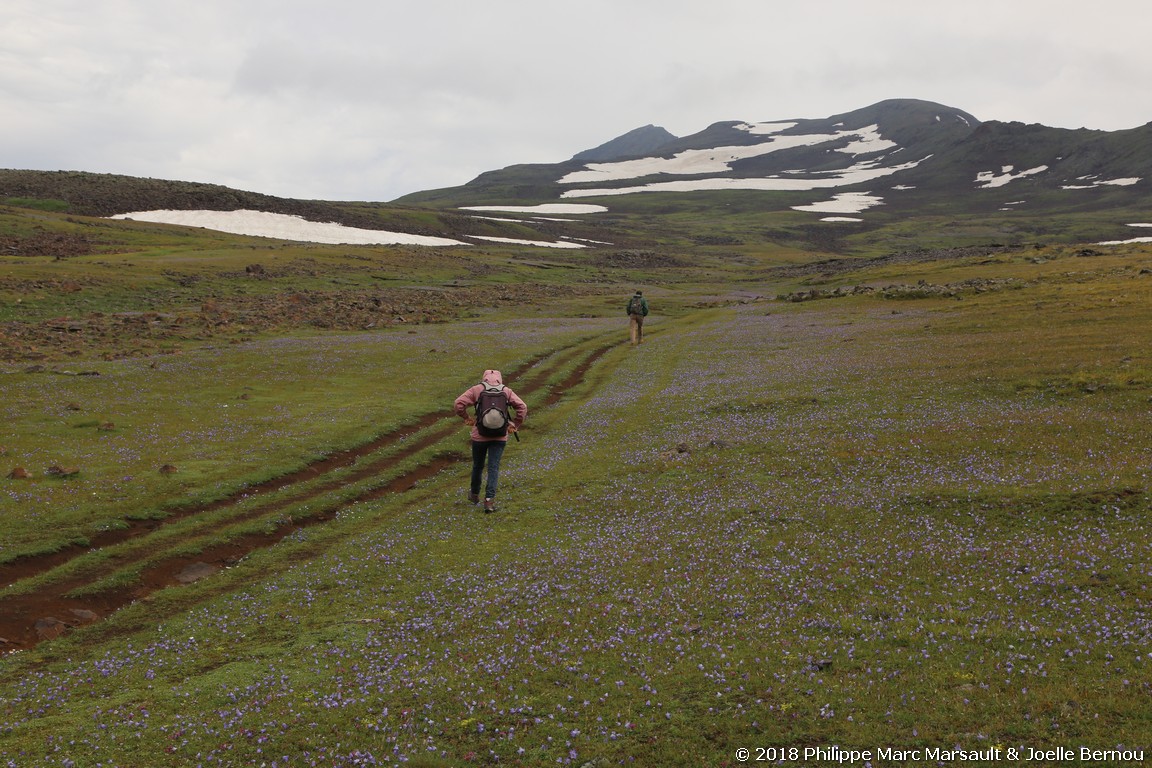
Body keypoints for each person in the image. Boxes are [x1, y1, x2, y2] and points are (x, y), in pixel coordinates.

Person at [454, 369, 527, 512]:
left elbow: (458, 404)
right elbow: (522, 407)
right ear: (500, 379)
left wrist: (466, 418)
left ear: (484, 378)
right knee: (493, 468)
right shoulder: (506, 391)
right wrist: (515, 425)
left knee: (478, 466)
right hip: (500, 436)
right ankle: (489, 501)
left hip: (479, 436)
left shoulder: (477, 389)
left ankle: (474, 495)